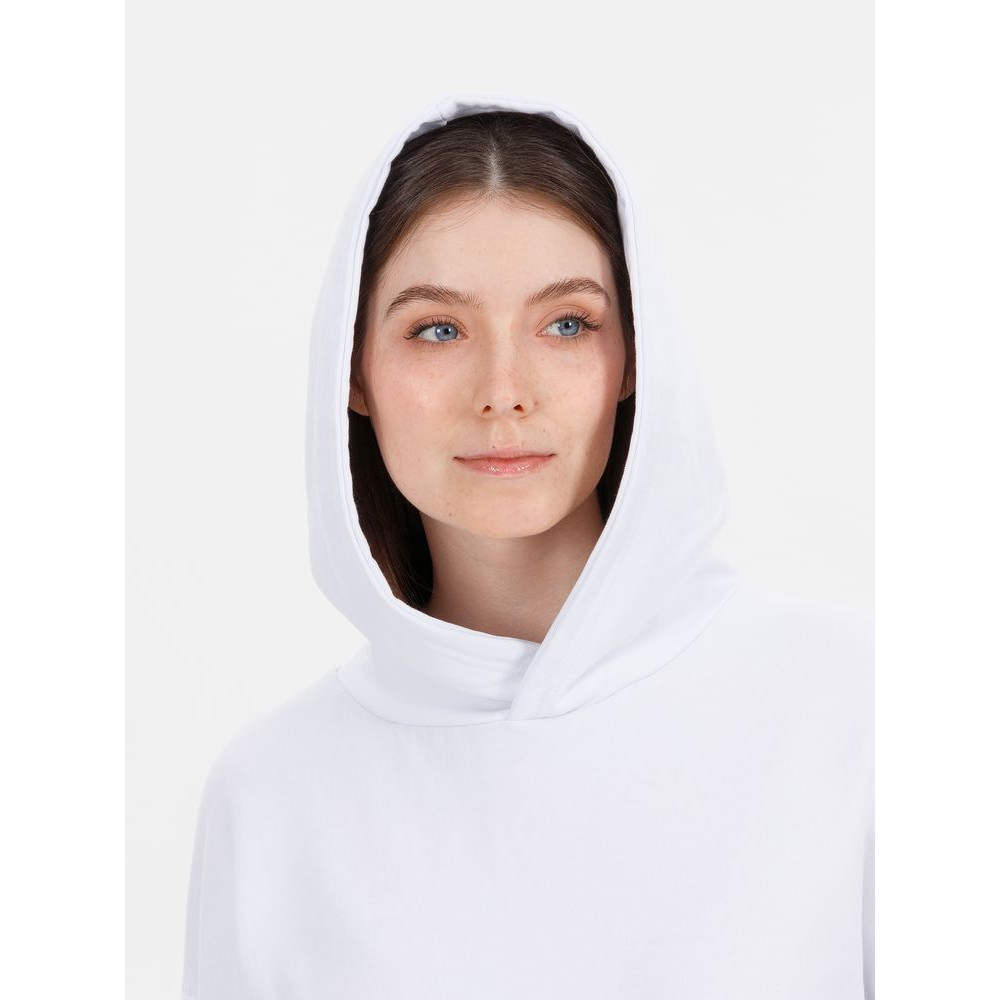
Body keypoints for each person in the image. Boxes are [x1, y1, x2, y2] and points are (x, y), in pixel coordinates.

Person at [181, 92, 874, 1000]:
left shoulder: (855, 710)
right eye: (437, 329)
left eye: (566, 324)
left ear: (636, 355)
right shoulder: (272, 795)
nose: (504, 390)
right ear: (352, 370)